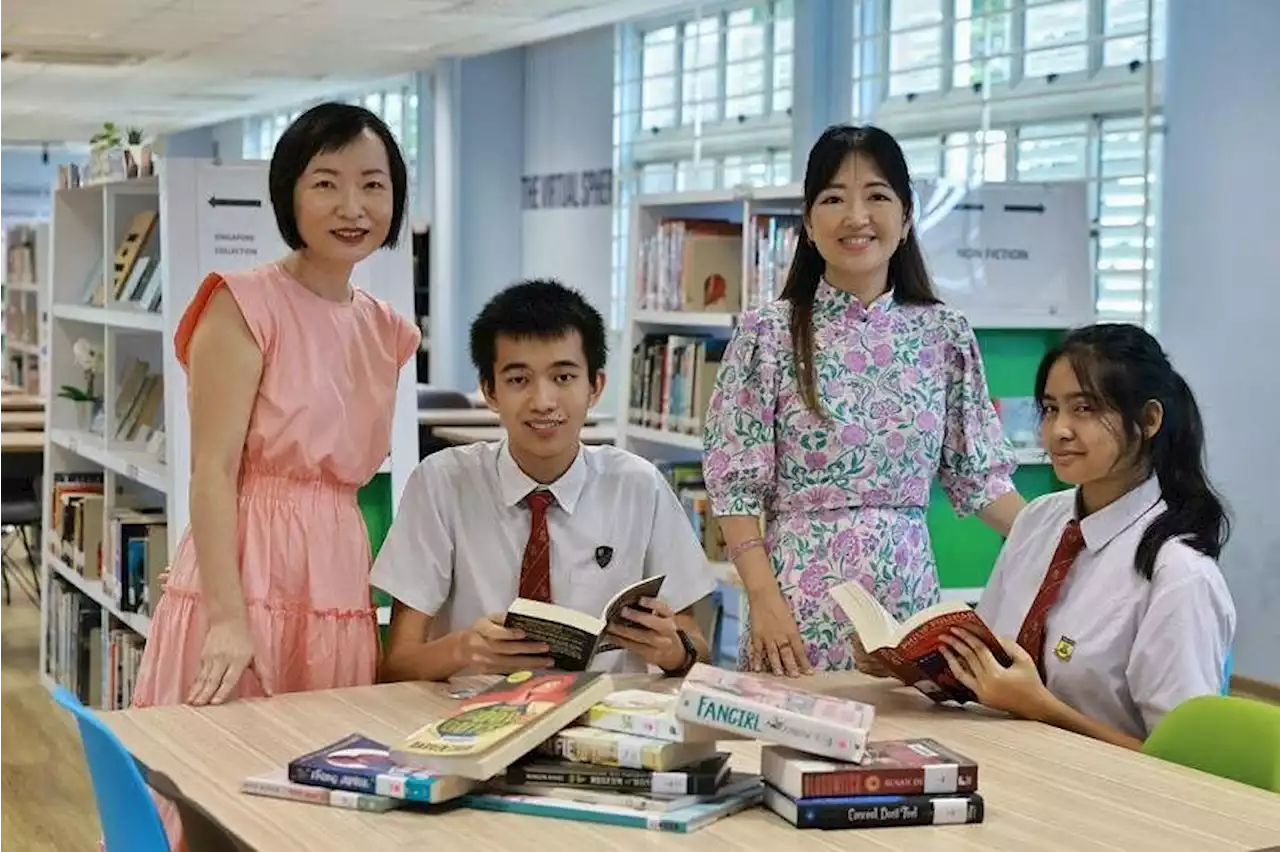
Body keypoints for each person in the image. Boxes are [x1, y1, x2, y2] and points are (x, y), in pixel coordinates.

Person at [127, 102, 420, 849]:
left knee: (317, 801)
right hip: (248, 571)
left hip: (335, 579)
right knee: (215, 794)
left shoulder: (386, 328)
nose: (352, 207)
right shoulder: (243, 301)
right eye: (326, 183)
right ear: (290, 192)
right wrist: (228, 618)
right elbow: (213, 471)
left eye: (373, 185)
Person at [702, 123, 1024, 678]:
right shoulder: (769, 333)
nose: (856, 217)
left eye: (877, 196)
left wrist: (1076, 542)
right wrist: (762, 599)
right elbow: (734, 486)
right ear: (807, 222)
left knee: (907, 759)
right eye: (833, 199)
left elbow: (980, 479)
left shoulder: (945, 334)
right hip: (795, 604)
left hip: (910, 602)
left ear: (905, 216)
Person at [372, 279, 717, 681]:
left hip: (602, 719)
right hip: (474, 717)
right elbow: (395, 665)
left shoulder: (639, 485)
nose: (543, 402)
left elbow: (698, 648)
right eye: (519, 380)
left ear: (595, 386)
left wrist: (675, 651)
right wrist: (464, 648)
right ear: (490, 390)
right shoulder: (442, 483)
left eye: (564, 378)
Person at [938, 323, 1235, 749]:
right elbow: (988, 655)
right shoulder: (1039, 520)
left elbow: (1188, 765)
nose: (1059, 430)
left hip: (1107, 801)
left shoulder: (1179, 574)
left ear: (1149, 420)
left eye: (1085, 409)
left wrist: (1043, 709)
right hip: (1003, 765)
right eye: (1050, 409)